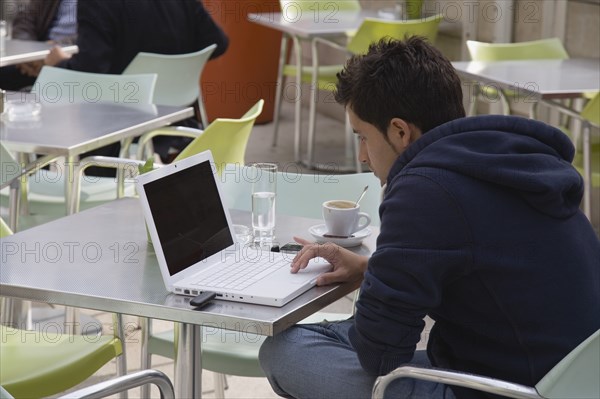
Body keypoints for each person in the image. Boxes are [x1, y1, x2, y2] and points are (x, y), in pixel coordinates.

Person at [258, 37, 600, 399]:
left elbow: (381, 354)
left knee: (284, 350)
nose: (362, 156)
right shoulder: (508, 159)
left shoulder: (426, 189)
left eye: (362, 137)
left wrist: (385, 284)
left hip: (509, 390)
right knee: (319, 335)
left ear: (400, 131)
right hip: (575, 379)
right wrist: (369, 268)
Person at [42, 0, 229, 172]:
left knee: (34, 98)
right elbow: (218, 43)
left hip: (115, 124)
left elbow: (90, 70)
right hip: (175, 116)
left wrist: (58, 63)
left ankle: (35, 185)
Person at [0, 0, 77, 90]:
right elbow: (24, 20)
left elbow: (91, 38)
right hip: (36, 56)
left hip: (69, 57)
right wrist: (28, 53)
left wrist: (56, 48)